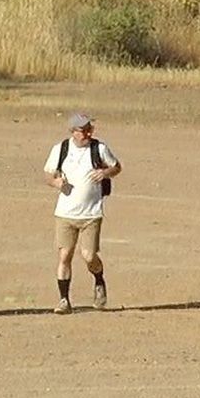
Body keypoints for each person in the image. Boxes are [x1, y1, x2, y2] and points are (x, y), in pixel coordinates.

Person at [43, 112, 122, 314]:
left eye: (89, 129)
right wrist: (56, 182)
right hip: (65, 213)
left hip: (91, 214)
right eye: (83, 130)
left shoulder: (99, 149)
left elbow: (116, 167)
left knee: (89, 256)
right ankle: (63, 300)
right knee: (64, 256)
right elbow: (48, 174)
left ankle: (98, 279)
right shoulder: (60, 149)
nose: (87, 133)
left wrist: (105, 173)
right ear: (73, 132)